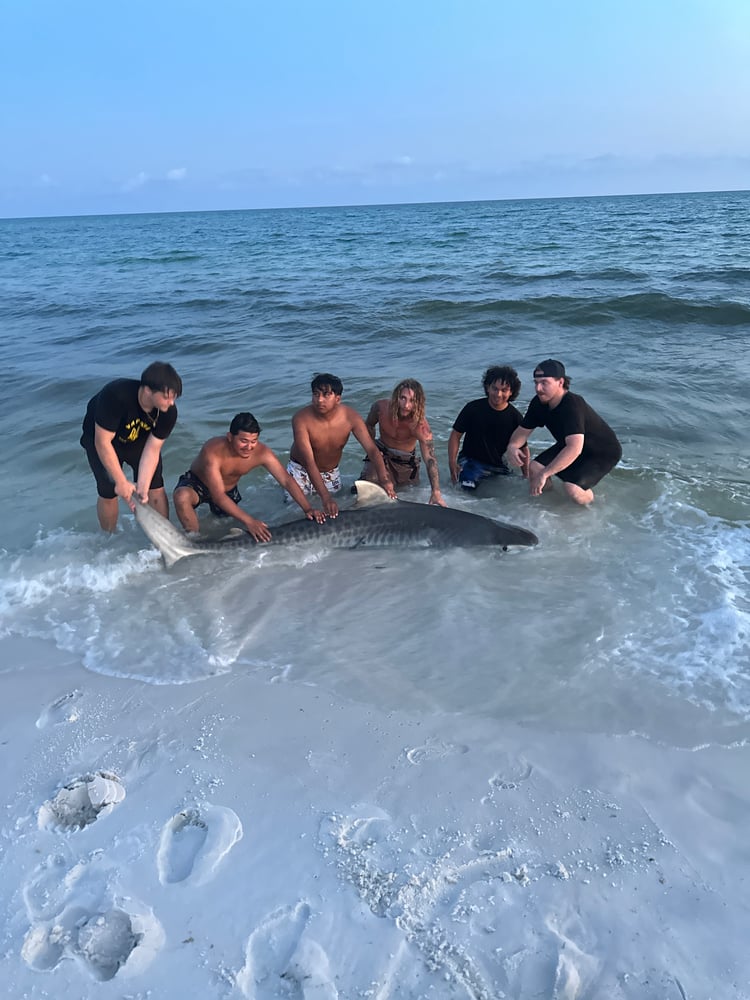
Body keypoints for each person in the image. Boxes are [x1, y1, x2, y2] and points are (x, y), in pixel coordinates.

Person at [173, 413, 327, 542]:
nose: (249, 447)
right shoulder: (212, 451)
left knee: (224, 526)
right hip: (199, 484)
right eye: (243, 441)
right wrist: (250, 521)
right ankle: (194, 542)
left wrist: (308, 508)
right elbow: (218, 496)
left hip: (228, 490)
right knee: (181, 497)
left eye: (253, 441)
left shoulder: (262, 453)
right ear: (230, 437)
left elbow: (286, 480)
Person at [80, 361, 183, 532]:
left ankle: (165, 538)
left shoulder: (168, 412)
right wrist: (121, 482)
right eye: (167, 397)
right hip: (101, 439)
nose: (172, 403)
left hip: (139, 439)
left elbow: (152, 449)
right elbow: (102, 442)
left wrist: (141, 490)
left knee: (154, 488)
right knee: (108, 491)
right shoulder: (115, 396)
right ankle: (109, 538)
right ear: (148, 390)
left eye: (174, 397)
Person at [506, 359, 622, 505]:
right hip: (570, 445)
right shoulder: (539, 403)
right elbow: (522, 432)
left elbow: (575, 448)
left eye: (544, 383)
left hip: (601, 452)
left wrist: (546, 473)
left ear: (560, 382)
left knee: (572, 489)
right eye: (536, 382)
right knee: (535, 469)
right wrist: (512, 446)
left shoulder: (572, 405)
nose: (538, 388)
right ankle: (548, 505)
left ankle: (592, 507)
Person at [288, 373, 397, 518]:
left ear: (338, 399)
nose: (319, 400)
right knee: (294, 511)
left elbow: (372, 450)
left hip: (330, 472)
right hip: (300, 470)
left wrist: (384, 480)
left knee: (335, 512)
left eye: (326, 395)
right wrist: (325, 497)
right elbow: (309, 462)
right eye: (316, 394)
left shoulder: (350, 417)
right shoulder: (301, 419)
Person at [360, 379, 446, 506]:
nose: (406, 405)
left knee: (404, 497)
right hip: (381, 452)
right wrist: (372, 449)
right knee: (370, 485)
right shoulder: (380, 408)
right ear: (396, 397)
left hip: (405, 462)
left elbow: (430, 460)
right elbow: (369, 426)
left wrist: (436, 491)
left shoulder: (420, 426)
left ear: (418, 403)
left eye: (412, 401)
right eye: (403, 398)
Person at [448, 365, 530, 490]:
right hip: (471, 461)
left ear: (511, 392)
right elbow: (455, 435)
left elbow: (523, 448)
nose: (498, 394)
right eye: (494, 388)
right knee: (466, 489)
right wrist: (452, 462)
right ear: (487, 387)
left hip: (498, 466)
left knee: (509, 495)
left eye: (504, 390)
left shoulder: (515, 417)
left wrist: (526, 475)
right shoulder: (473, 408)